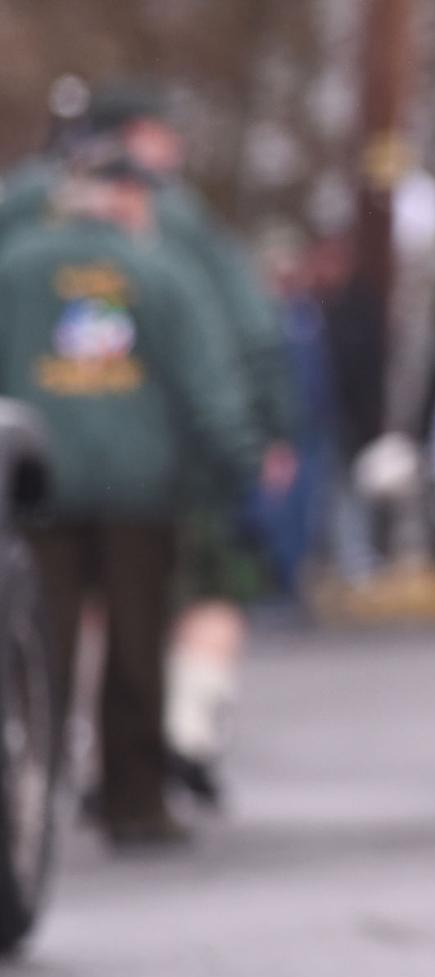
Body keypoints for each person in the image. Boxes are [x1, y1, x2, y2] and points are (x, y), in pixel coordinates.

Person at [0, 143, 264, 845]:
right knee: (136, 643)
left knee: (38, 638)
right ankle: (134, 800)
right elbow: (205, 381)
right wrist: (237, 465)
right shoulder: (161, 271)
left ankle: (30, 792)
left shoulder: (15, 265)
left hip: (35, 481)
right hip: (140, 487)